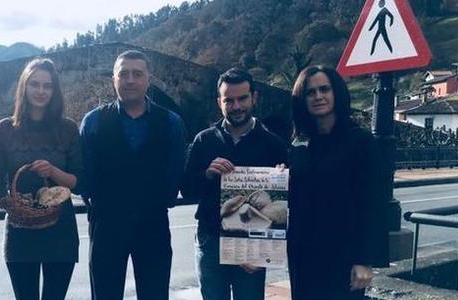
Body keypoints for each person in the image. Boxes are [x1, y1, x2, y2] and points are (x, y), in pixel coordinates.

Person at [80, 50, 186, 300]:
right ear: (113, 80)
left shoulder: (171, 122)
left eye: (137, 74)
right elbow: (84, 171)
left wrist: (161, 200)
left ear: (149, 79)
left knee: (155, 293)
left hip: (153, 223)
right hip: (106, 222)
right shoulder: (93, 122)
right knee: (105, 294)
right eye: (123, 74)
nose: (130, 80)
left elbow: (175, 170)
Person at [180, 68, 287, 300]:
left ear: (254, 97)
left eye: (242, 98)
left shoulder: (274, 144)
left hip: (252, 243)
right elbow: (186, 190)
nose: (236, 106)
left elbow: (285, 204)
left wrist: (282, 178)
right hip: (210, 239)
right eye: (229, 100)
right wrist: (207, 174)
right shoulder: (204, 140)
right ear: (219, 102)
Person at [287, 65, 389, 300]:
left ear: (337, 92)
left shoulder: (360, 142)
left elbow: (374, 203)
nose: (318, 96)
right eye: (310, 92)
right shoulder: (299, 143)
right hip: (303, 251)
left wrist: (365, 260)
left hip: (343, 252)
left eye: (324, 89)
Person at [0, 58, 83, 300]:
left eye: (47, 86)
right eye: (35, 84)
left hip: (61, 233)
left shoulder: (68, 129)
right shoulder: (3, 130)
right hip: (20, 233)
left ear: (55, 90)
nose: (41, 91)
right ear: (24, 87)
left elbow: (81, 182)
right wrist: (15, 209)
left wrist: (53, 172)